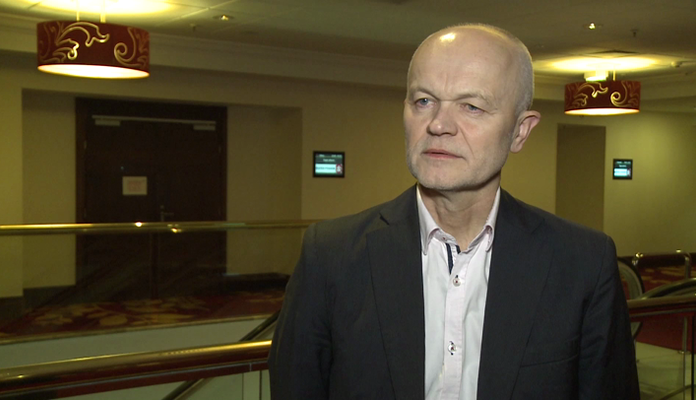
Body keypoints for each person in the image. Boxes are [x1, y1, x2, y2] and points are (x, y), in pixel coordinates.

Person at [269, 23, 639, 400]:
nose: (438, 125)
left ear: (520, 132)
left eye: (471, 106)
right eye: (424, 101)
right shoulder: (330, 256)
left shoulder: (582, 263)